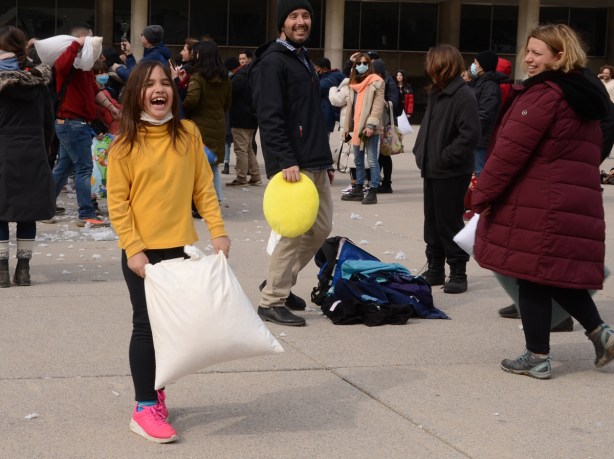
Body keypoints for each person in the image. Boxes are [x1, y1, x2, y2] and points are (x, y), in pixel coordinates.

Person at [472, 24, 614, 379]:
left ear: (559, 56)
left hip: (539, 200)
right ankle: (601, 334)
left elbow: (509, 154)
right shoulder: (583, 93)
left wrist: (481, 195)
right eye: (528, 51)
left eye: (538, 52)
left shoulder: (544, 95)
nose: (529, 59)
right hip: (568, 198)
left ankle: (537, 355)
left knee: (531, 276)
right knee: (554, 275)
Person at [107, 61, 231, 442]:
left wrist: (218, 232)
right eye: (148, 84)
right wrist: (133, 249)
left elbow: (203, 189)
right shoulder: (124, 143)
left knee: (171, 329)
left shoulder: (188, 134)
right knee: (145, 326)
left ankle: (156, 390)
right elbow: (118, 203)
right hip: (141, 256)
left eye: (165, 83)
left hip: (179, 249)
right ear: (135, 95)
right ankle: (144, 406)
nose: (158, 89)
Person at [250, 0, 334, 327]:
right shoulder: (274, 62)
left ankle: (277, 280)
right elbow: (270, 117)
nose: (301, 22)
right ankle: (272, 300)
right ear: (282, 23)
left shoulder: (301, 58)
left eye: (306, 16)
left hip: (314, 159)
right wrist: (285, 159)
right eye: (294, 16)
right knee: (293, 232)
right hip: (293, 164)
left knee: (320, 228)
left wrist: (323, 159)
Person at [413, 44, 480, 294]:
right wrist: (421, 153)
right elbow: (427, 130)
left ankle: (458, 270)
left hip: (452, 170)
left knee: (449, 221)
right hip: (432, 169)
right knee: (431, 221)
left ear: (444, 67)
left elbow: (470, 135)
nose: (429, 71)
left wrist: (444, 157)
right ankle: (435, 268)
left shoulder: (463, 95)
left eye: (433, 66)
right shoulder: (436, 93)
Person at [0, 25, 55, 287]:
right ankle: (23, 271)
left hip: (3, 151)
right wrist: (46, 149)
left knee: (0, 211)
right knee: (27, 213)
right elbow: (48, 121)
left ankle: (0, 272)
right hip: (33, 150)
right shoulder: (39, 80)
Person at [49, 22, 119, 227]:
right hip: (72, 124)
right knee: (83, 168)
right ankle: (86, 213)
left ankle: (44, 208)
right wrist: (77, 44)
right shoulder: (67, 61)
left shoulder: (85, 67)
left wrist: (112, 109)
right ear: (81, 39)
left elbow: (95, 90)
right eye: (89, 38)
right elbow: (60, 66)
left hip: (74, 124)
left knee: (64, 167)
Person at [182, 40, 231, 201]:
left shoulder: (198, 77)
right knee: (213, 166)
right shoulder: (225, 78)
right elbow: (227, 103)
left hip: (200, 127)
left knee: (197, 168)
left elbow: (192, 100)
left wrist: (183, 107)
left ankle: (201, 201)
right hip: (218, 124)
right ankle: (216, 198)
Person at [340, 52, 385, 205]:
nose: (362, 66)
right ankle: (358, 188)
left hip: (369, 128)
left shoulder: (377, 81)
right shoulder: (353, 83)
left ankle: (373, 190)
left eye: (365, 63)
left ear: (370, 65)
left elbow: (378, 106)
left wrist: (371, 125)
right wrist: (347, 128)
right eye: (358, 63)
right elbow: (351, 108)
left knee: (372, 160)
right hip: (356, 127)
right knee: (358, 160)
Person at [227, 53, 261, 187]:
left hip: (240, 118)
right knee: (248, 149)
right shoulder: (249, 75)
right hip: (251, 118)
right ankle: (255, 176)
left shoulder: (238, 79)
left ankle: (241, 178)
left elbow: (228, 95)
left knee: (241, 149)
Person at [468, 50, 501, 177]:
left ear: (481, 66)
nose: (473, 65)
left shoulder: (490, 86)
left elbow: (485, 114)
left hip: (481, 139)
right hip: (475, 138)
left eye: (475, 63)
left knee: (479, 173)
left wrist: (470, 131)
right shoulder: (478, 82)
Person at [314, 57, 344, 138]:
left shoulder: (332, 79)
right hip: (321, 116)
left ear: (325, 69)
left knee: (322, 144)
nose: (316, 72)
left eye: (317, 70)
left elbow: (316, 88)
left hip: (325, 117)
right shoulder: (326, 77)